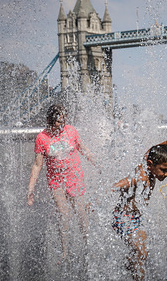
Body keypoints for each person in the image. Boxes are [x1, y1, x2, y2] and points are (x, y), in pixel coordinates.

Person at [27, 104, 95, 262]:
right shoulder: (42, 138)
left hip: (74, 176)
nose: (60, 126)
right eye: (57, 122)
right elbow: (37, 165)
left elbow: (84, 150)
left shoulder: (71, 131)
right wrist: (30, 189)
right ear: (48, 121)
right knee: (64, 214)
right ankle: (65, 251)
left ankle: (88, 246)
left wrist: (98, 164)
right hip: (56, 180)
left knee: (80, 212)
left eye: (63, 122)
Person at [112, 134, 167, 281]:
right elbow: (119, 185)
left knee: (143, 253)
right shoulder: (140, 176)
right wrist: (104, 194)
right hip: (123, 218)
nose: (166, 174)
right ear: (150, 165)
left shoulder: (149, 166)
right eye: (163, 170)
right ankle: (131, 271)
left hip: (136, 218)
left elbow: (150, 151)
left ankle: (130, 270)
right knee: (140, 252)